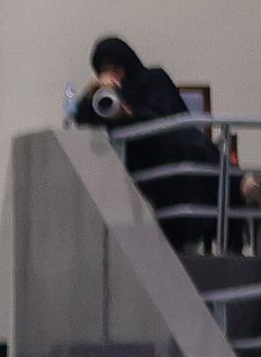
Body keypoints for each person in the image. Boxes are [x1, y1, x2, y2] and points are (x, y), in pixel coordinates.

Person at [76, 36, 228, 247]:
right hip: (137, 169)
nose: (113, 73)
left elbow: (166, 118)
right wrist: (91, 92)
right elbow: (82, 123)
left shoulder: (153, 79)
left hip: (171, 160)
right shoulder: (105, 93)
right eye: (105, 69)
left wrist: (129, 114)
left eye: (117, 67)